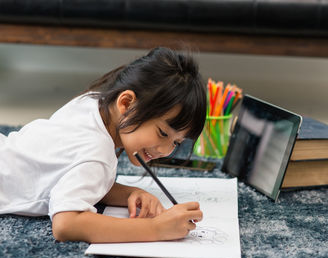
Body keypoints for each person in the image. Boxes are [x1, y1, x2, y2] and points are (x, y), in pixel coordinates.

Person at [0, 47, 207, 243]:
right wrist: (156, 228)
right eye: (162, 133)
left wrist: (129, 193)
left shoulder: (90, 103)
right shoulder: (97, 153)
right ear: (126, 104)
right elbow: (66, 224)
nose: (165, 150)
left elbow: (74, 173)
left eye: (176, 142)